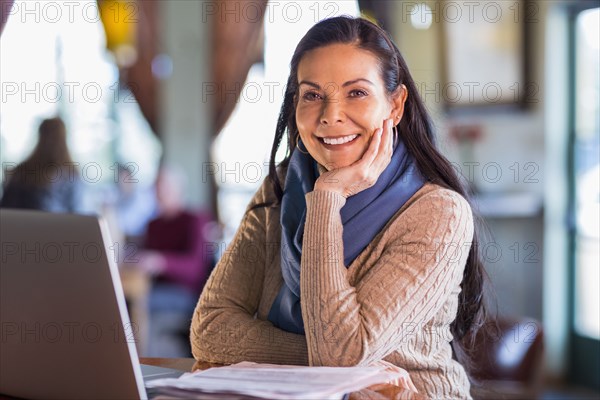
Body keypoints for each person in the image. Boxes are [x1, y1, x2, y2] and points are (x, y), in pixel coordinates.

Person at [191, 16, 488, 399]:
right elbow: (210, 328)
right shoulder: (281, 190)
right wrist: (343, 362)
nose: (331, 115)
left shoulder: (438, 214)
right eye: (312, 95)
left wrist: (327, 199)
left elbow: (341, 358)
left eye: (356, 93)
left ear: (395, 105)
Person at [133, 165, 216, 357]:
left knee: (139, 303)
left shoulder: (196, 220)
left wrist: (161, 262)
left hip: (186, 294)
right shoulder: (152, 225)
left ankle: (143, 366)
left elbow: (196, 268)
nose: (159, 192)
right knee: (125, 301)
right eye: (157, 187)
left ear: (179, 189)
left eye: (165, 187)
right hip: (153, 288)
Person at [1, 117, 84, 213]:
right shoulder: (71, 174)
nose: (51, 141)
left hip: (22, 226)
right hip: (48, 227)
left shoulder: (22, 171)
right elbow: (77, 213)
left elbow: (6, 209)